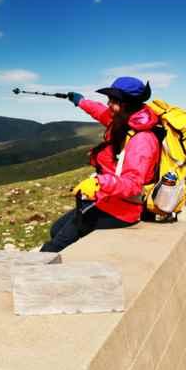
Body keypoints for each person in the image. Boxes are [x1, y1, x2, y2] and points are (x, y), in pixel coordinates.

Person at [41, 76, 161, 252]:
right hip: (108, 199)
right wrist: (80, 101)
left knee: (54, 246)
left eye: (113, 100)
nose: (108, 104)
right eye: (109, 99)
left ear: (128, 103)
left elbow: (134, 184)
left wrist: (99, 183)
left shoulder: (142, 140)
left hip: (124, 210)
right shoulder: (124, 121)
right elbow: (99, 112)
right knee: (56, 229)